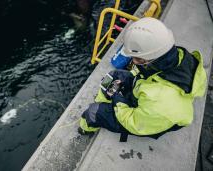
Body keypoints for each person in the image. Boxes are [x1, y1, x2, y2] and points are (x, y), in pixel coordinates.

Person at [78, 17, 207, 139]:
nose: (133, 62)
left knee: (93, 112)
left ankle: (85, 129)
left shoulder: (162, 102)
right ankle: (105, 100)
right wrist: (129, 77)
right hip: (149, 97)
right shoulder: (173, 57)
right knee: (115, 75)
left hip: (147, 121)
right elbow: (147, 74)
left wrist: (117, 99)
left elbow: (134, 122)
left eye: (139, 59)